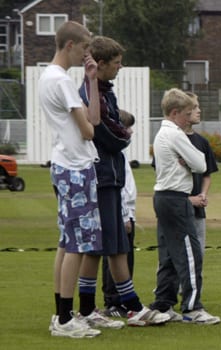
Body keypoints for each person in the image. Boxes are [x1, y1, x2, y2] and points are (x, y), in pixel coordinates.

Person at [77, 35, 168, 329]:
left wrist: (120, 133)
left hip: (110, 177)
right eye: (116, 63)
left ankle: (97, 308)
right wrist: (123, 135)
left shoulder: (105, 92)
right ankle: (128, 307)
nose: (120, 67)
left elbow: (116, 127)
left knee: (112, 244)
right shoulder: (93, 94)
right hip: (102, 177)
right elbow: (111, 135)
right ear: (100, 64)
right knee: (106, 245)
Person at [43, 20, 104, 338]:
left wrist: (91, 81)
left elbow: (92, 117)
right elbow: (89, 130)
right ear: (69, 45)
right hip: (75, 167)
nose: (86, 55)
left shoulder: (50, 77)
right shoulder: (61, 81)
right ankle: (66, 319)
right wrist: (81, 88)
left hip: (65, 165)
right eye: (83, 48)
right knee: (77, 245)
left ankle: (61, 314)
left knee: (66, 244)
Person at [149, 88, 220, 325]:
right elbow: (200, 164)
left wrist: (186, 161)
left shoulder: (161, 133)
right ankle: (192, 308)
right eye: (187, 113)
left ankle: (163, 304)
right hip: (176, 199)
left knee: (169, 254)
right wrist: (189, 161)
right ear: (175, 112)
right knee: (191, 254)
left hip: (162, 198)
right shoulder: (176, 134)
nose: (190, 117)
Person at [101, 110, 137, 318]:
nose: (130, 131)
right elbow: (121, 189)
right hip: (122, 213)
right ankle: (114, 301)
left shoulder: (121, 155)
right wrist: (125, 215)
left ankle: (123, 298)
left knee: (126, 256)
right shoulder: (114, 156)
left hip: (127, 212)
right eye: (126, 127)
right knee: (116, 256)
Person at [182, 93, 219, 257]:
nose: (199, 110)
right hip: (177, 208)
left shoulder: (201, 142)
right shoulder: (171, 139)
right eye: (194, 107)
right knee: (174, 257)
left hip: (198, 211)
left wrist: (203, 194)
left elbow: (207, 174)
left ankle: (195, 284)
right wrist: (188, 199)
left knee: (197, 255)